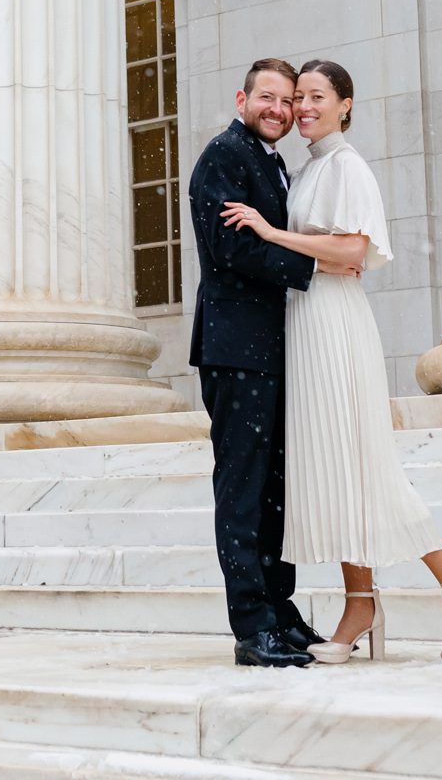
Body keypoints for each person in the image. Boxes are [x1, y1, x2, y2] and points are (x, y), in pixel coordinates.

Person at [221, 59, 442, 664]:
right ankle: (359, 601)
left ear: (346, 105)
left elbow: (353, 249)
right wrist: (309, 249)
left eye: (316, 97)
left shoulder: (349, 167)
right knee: (338, 469)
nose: (302, 107)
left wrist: (271, 234)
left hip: (336, 326)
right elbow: (329, 251)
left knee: (368, 466)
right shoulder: (306, 169)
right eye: (299, 97)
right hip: (305, 323)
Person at [187, 58, 332, 668]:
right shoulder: (224, 155)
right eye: (267, 98)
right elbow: (231, 247)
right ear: (242, 98)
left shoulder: (270, 160)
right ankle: (252, 626)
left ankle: (281, 608)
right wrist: (315, 266)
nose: (278, 109)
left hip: (271, 350)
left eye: (287, 100)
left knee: (277, 490)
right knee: (244, 491)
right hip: (235, 350)